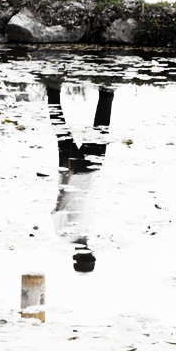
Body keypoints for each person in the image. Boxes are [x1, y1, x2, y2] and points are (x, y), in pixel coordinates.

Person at [45, 80, 115, 272]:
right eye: (89, 255)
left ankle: (52, 91)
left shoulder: (64, 235)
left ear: (76, 256)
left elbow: (59, 207)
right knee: (100, 130)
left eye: (85, 255)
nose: (88, 251)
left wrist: (66, 175)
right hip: (91, 170)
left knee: (62, 133)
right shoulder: (88, 231)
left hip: (74, 172)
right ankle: (106, 92)